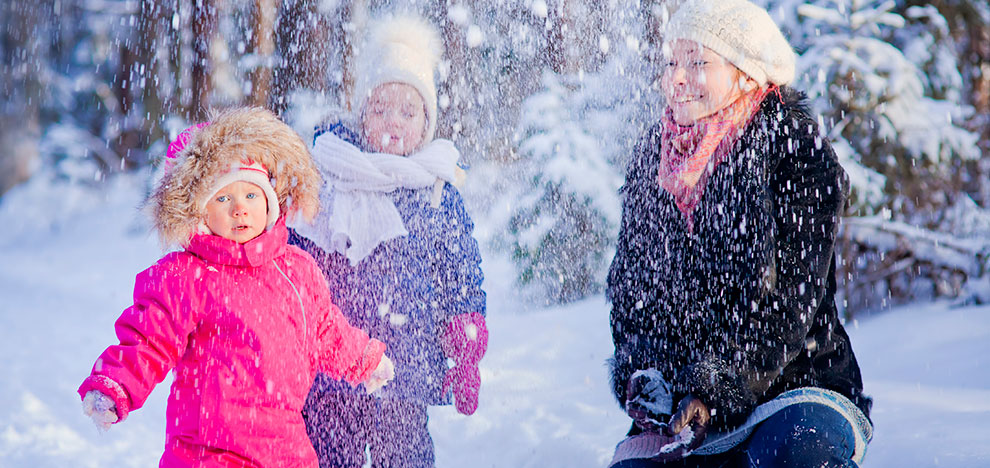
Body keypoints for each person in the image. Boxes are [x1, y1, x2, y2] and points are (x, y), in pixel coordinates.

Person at [605, 1, 873, 466]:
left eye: (697, 63)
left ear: (745, 73)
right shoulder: (655, 157)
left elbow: (790, 302)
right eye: (671, 62)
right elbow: (631, 295)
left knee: (798, 454)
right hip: (687, 413)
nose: (676, 78)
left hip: (792, 387)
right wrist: (642, 375)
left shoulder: (791, 148)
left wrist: (717, 386)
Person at [78, 107, 395, 468]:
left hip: (286, 444)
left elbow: (326, 329)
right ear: (200, 212)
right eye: (224, 199)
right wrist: (116, 383)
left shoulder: (296, 270)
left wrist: (363, 359)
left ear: (270, 202)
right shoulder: (187, 277)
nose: (240, 210)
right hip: (208, 449)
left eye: (251, 196)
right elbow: (149, 339)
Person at [289, 13, 487, 468]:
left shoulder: (437, 191)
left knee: (405, 457)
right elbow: (296, 267)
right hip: (333, 370)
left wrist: (465, 342)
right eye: (380, 109)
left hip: (406, 369)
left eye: (407, 111)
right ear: (361, 115)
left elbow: (460, 272)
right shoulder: (329, 176)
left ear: (425, 123)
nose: (392, 123)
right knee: (326, 456)